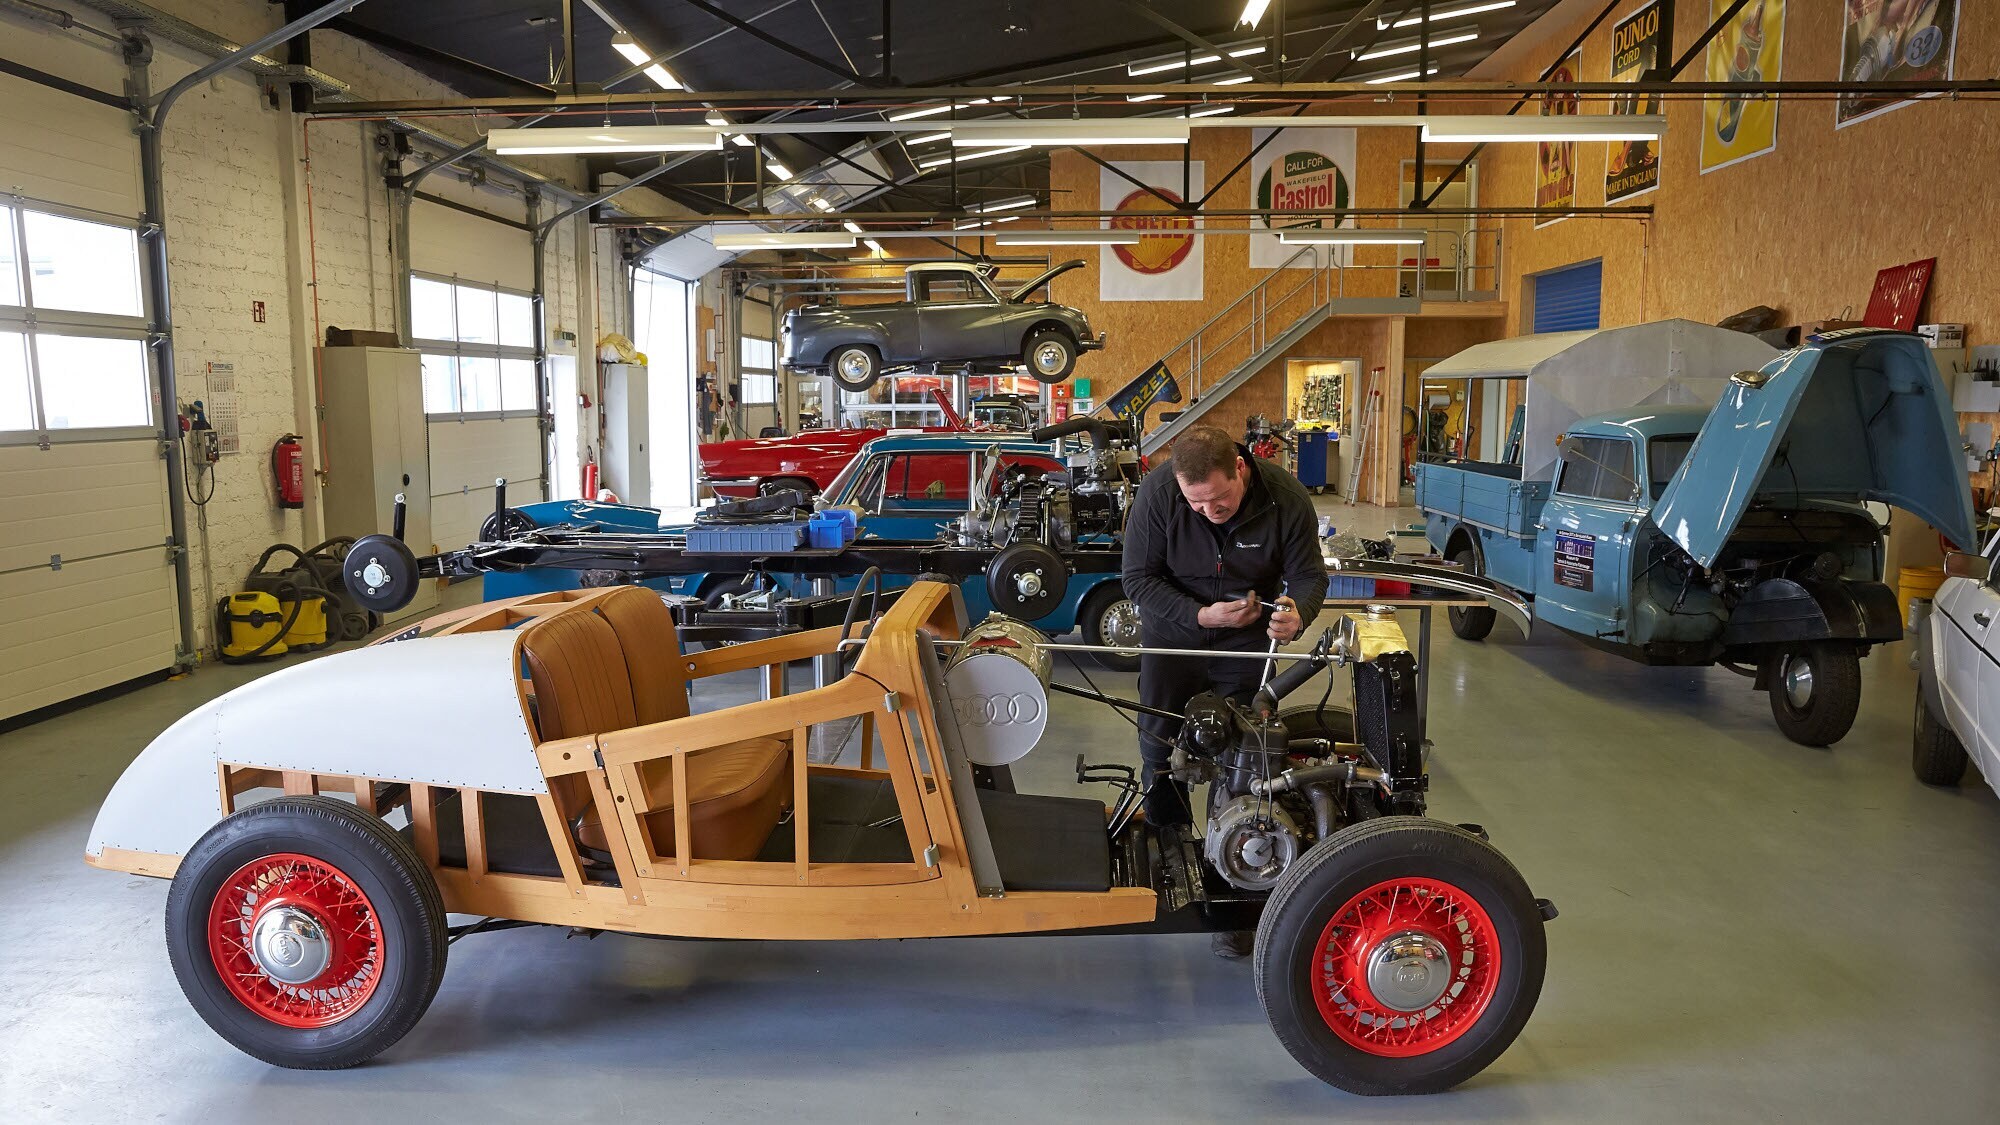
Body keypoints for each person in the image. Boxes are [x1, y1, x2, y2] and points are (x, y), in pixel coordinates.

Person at [1120, 424, 1328, 956]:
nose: (1210, 512)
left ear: (1241, 467)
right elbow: (1138, 579)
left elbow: (1308, 575)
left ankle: (1240, 885)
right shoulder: (1158, 493)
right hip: (1174, 640)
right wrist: (1196, 614)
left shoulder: (1285, 497)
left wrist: (1297, 613)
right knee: (1159, 751)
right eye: (1197, 504)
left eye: (1220, 499)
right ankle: (1169, 872)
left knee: (1247, 761)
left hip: (1244, 645)